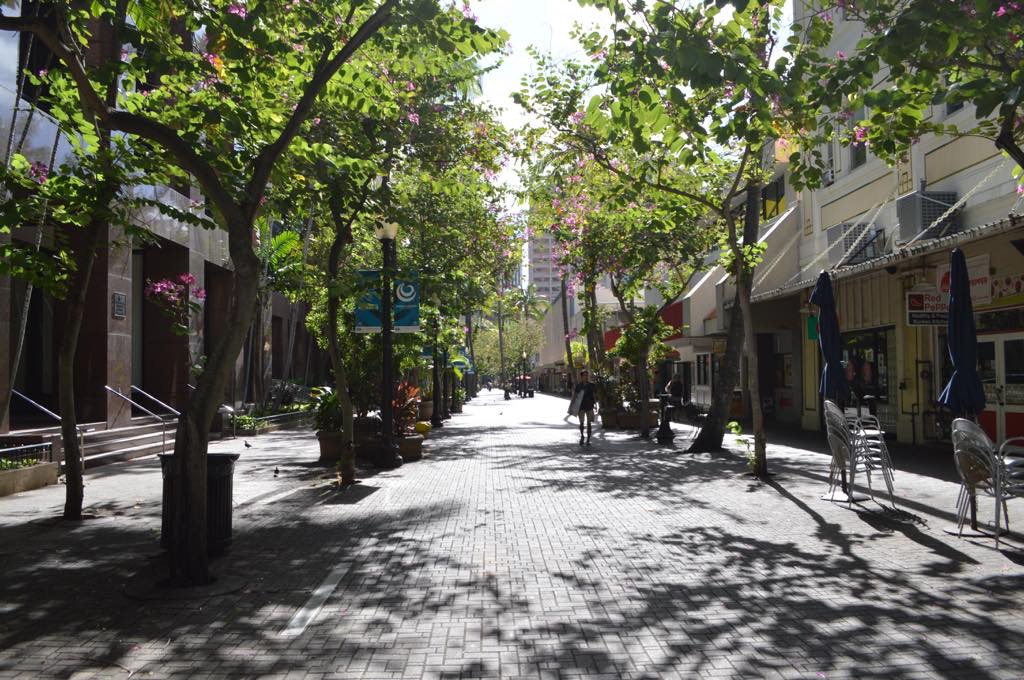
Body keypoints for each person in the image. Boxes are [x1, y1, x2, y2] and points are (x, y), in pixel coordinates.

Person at [573, 369, 597, 446]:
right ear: (581, 377)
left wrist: (596, 405)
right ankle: (582, 436)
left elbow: (594, 395)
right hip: (581, 407)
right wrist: (573, 406)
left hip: (589, 406)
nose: (586, 377)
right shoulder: (578, 386)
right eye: (584, 375)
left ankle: (588, 440)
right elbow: (575, 396)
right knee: (581, 423)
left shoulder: (591, 385)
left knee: (589, 423)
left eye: (587, 375)